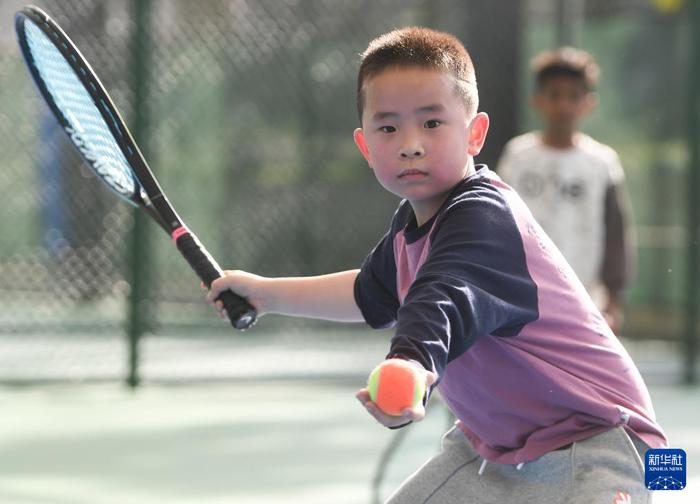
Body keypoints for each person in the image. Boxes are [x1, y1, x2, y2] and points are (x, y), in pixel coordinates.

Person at [207, 28, 666, 503]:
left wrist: (410, 362)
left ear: (475, 134)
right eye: (388, 128)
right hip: (498, 448)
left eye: (431, 123)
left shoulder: (482, 216)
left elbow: (441, 297)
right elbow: (370, 293)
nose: (410, 143)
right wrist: (266, 292)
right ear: (366, 147)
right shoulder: (410, 228)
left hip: (603, 442)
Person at [497, 47, 634, 332]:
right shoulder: (518, 156)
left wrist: (613, 299)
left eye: (573, 96)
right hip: (520, 297)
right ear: (537, 101)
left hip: (584, 302)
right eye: (554, 95)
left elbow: (616, 234)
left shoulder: (602, 163)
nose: (563, 106)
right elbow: (497, 221)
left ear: (589, 102)